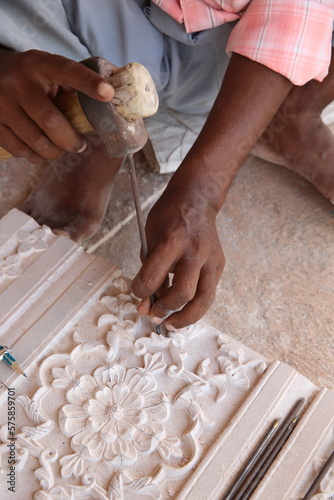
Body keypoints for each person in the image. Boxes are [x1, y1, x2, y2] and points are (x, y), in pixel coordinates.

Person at [0, 0, 333, 331]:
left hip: (229, 53)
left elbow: (295, 18)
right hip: (84, 21)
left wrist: (201, 192)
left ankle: (290, 110)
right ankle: (95, 115)